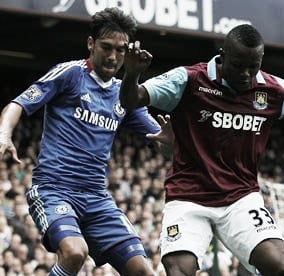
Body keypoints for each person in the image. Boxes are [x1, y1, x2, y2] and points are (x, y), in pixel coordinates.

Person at [118, 24, 284, 276]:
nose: (246, 74)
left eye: (253, 66)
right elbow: (131, 99)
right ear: (223, 55)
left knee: (281, 268)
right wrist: (131, 75)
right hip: (188, 197)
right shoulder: (189, 79)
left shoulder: (272, 90)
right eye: (238, 65)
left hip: (240, 197)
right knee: (178, 271)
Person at [0, 7, 172, 276]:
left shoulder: (124, 96)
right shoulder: (69, 74)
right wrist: (4, 134)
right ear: (91, 44)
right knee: (74, 252)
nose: (113, 56)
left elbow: (162, 146)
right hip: (54, 189)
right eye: (106, 47)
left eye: (121, 49)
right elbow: (19, 103)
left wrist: (172, 142)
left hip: (96, 198)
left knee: (143, 271)